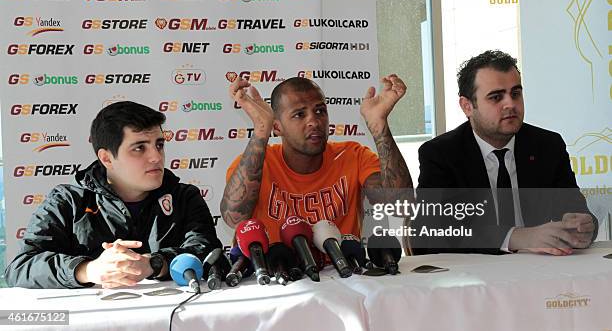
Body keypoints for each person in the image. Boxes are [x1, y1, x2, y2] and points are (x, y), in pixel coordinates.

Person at [4, 101, 222, 289]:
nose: (156, 156)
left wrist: (154, 264)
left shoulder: (184, 197)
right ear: (107, 158)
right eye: (139, 148)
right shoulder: (67, 201)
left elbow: (211, 254)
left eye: (159, 144)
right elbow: (21, 267)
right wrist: (87, 270)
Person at [415, 50, 597, 255]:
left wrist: (583, 227)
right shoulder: (441, 154)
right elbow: (428, 235)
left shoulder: (547, 146)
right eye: (496, 97)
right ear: (467, 106)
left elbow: (577, 210)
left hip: (541, 272)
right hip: (474, 278)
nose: (510, 104)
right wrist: (516, 237)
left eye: (516, 94)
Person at [220, 75, 413, 244]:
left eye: (320, 111)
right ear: (277, 128)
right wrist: (261, 131)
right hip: (275, 277)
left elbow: (401, 207)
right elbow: (234, 218)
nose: (314, 121)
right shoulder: (256, 163)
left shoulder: (353, 156)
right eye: (299, 114)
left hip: (343, 275)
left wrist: (380, 128)